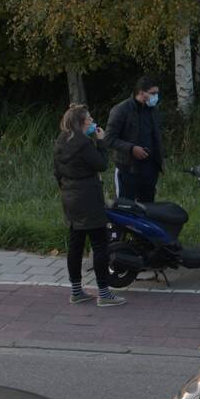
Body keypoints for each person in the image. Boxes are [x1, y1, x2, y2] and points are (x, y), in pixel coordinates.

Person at [53, 104, 126, 307]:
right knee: (99, 245)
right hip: (88, 198)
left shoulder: (60, 142)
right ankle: (104, 294)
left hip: (70, 198)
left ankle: (76, 291)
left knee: (75, 245)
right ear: (81, 123)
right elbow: (101, 164)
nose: (93, 121)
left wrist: (67, 188)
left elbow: (56, 172)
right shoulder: (84, 144)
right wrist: (101, 142)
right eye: (89, 118)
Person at [107, 75, 163, 203]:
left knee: (148, 208)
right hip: (127, 169)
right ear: (142, 92)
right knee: (126, 208)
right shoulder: (121, 110)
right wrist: (131, 148)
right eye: (153, 93)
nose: (156, 97)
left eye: (157, 93)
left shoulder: (153, 109)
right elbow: (109, 138)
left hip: (150, 169)